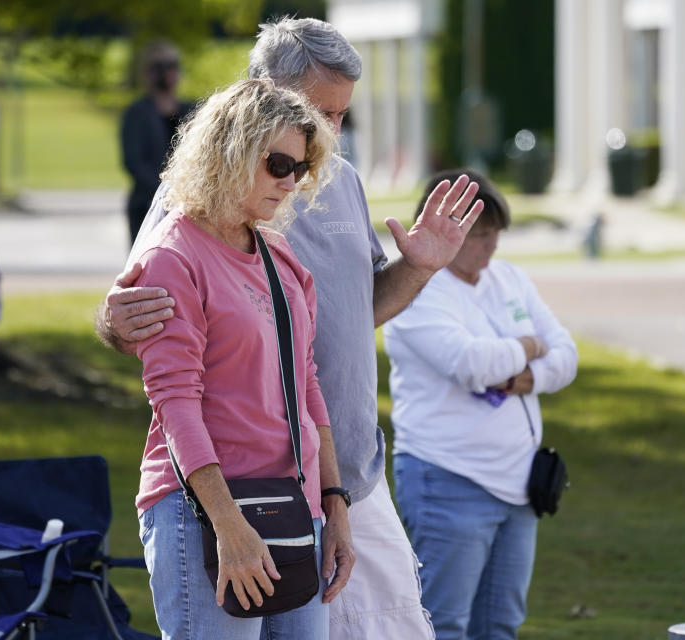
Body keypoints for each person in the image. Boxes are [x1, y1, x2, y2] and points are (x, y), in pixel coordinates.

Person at [98, 17, 483, 639]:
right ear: (257, 97)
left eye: (339, 117)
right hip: (225, 488)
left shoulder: (333, 191)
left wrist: (418, 269)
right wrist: (111, 322)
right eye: (315, 113)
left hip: (338, 477)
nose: (325, 137)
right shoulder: (186, 210)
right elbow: (153, 343)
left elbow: (321, 353)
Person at [134, 77, 336, 638]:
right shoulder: (172, 257)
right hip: (205, 510)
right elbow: (177, 404)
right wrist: (229, 523)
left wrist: (333, 504)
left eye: (299, 168)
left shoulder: (278, 252)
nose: (289, 182)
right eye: (277, 163)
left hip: (293, 507)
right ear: (232, 148)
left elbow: (306, 382)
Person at [384, 169, 578, 640]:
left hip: (519, 484)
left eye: (496, 235)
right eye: (481, 236)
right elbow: (470, 363)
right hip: (448, 480)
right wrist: (530, 347)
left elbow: (567, 355)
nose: (492, 247)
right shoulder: (413, 289)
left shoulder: (507, 277)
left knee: (501, 624)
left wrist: (527, 374)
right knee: (444, 623)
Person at [120, 40, 194, 242]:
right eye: (159, 67)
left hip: (187, 208)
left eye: (172, 66)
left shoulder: (192, 110)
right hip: (146, 204)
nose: (167, 73)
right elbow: (133, 161)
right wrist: (165, 192)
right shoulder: (136, 113)